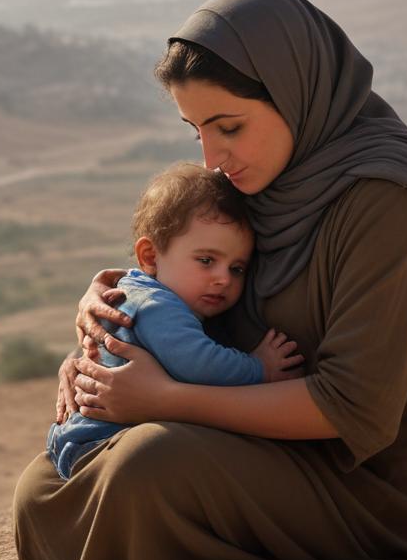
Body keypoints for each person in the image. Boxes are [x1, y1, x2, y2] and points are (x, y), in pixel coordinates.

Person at [13, 0, 407, 560]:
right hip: (259, 447)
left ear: (294, 93)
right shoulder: (268, 181)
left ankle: (165, 535)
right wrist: (109, 314)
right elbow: (188, 267)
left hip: (377, 491)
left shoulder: (383, 200)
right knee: (40, 489)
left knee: (143, 469)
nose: (213, 157)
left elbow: (352, 407)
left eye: (229, 126)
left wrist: (164, 398)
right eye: (197, 133)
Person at [45, 162, 304, 480]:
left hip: (81, 439)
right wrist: (259, 368)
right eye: (206, 261)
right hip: (100, 443)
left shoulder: (136, 292)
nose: (223, 278)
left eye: (237, 268)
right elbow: (198, 364)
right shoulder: (157, 305)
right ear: (151, 257)